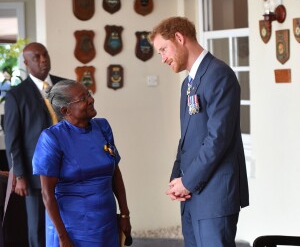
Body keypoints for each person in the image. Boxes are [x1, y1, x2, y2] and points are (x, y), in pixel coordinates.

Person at [149, 17, 249, 247]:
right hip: (192, 194)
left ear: (179, 38)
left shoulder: (219, 75)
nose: (163, 59)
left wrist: (188, 180)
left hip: (214, 196)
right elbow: (187, 139)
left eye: (164, 50)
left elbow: (218, 139)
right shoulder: (188, 84)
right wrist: (177, 180)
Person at [32, 80, 132, 247]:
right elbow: (47, 195)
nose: (91, 99)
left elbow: (115, 173)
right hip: (71, 229)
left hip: (105, 222)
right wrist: (62, 237)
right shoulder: (52, 138)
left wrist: (125, 214)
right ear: (65, 110)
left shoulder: (103, 127)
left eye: (89, 94)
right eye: (83, 98)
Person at [4, 42, 66, 247]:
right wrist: (19, 175)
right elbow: (13, 140)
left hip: (68, 167)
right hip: (34, 174)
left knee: (67, 221)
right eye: (36, 57)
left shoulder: (65, 86)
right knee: (38, 226)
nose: (43, 59)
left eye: (45, 54)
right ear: (26, 62)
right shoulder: (16, 95)